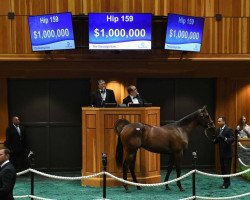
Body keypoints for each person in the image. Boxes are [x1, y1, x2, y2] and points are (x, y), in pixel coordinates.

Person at [213, 116, 234, 189]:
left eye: (219, 121)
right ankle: (225, 182)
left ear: (224, 121)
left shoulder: (229, 129)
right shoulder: (218, 130)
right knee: (223, 169)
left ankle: (226, 183)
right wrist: (214, 141)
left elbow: (232, 139)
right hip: (221, 153)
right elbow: (217, 140)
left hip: (228, 153)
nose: (218, 122)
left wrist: (224, 138)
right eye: (218, 121)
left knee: (227, 168)